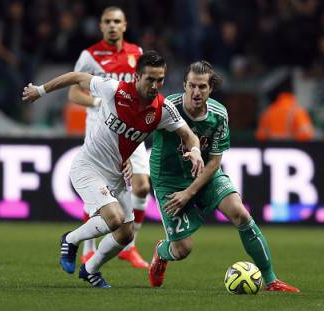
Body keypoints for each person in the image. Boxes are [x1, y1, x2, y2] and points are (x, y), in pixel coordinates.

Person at [22, 51, 204, 288]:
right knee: (115, 218)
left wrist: (197, 151)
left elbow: (189, 136)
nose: (155, 85)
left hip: (116, 175)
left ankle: (90, 269)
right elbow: (77, 77)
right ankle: (70, 239)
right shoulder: (114, 89)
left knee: (126, 234)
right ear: (137, 76)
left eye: (160, 79)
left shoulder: (162, 109)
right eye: (150, 79)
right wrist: (40, 90)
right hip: (88, 166)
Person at [148, 61, 300, 292]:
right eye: (192, 86)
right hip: (169, 179)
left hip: (206, 173)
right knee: (182, 249)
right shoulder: (167, 107)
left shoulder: (218, 114)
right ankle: (161, 250)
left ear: (210, 89)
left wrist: (190, 193)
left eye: (202, 87)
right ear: (184, 85)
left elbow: (215, 161)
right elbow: (138, 129)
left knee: (240, 212)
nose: (196, 92)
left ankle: (271, 280)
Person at [68, 6, 150, 268]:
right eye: (107, 21)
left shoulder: (137, 54)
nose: (113, 25)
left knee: (142, 186)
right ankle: (88, 250)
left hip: (131, 129)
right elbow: (74, 94)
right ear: (101, 26)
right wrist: (99, 101)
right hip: (101, 129)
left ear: (125, 25)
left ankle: (129, 246)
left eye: (117, 21)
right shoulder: (89, 56)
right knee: (99, 189)